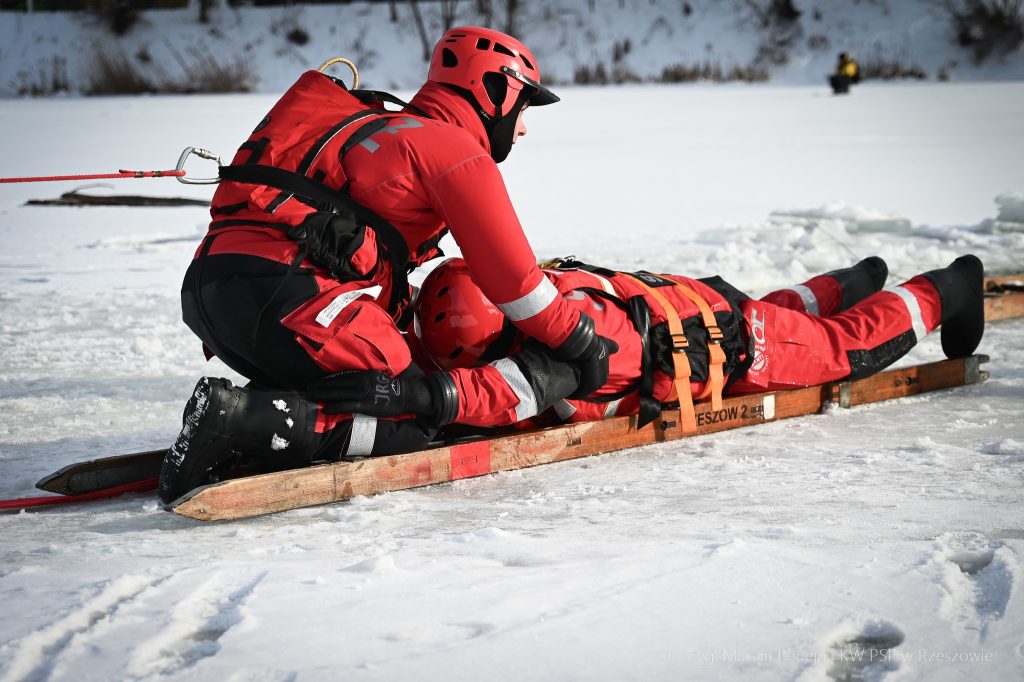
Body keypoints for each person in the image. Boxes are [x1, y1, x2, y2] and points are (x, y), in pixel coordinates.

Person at [159, 26, 617, 503]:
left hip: (211, 292)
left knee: (376, 384)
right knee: (412, 416)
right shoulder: (451, 148)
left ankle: (252, 418)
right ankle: (238, 423)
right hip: (286, 293)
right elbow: (515, 283)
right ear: (496, 89)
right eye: (523, 107)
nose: (523, 127)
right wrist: (581, 343)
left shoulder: (380, 128)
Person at [314, 254, 985, 431]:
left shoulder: (564, 352)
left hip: (738, 344)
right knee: (786, 313)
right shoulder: (541, 297)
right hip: (700, 307)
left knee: (842, 350)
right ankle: (857, 277)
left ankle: (948, 287)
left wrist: (421, 394)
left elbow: (510, 392)